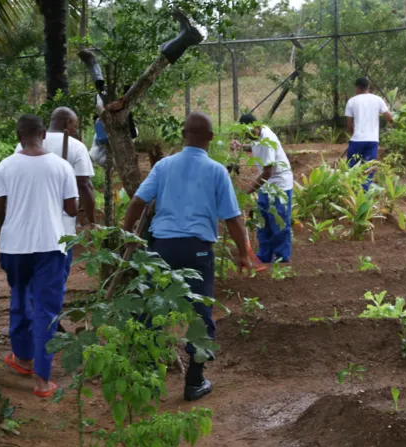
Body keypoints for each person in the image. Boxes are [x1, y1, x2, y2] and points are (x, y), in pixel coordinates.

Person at [123, 112, 252, 401]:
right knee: (199, 313)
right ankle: (194, 381)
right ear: (210, 138)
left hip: (162, 248)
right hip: (197, 249)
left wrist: (126, 234)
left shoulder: (164, 166)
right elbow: (232, 218)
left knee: (151, 309)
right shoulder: (217, 171)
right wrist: (243, 254)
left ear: (183, 134)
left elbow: (137, 201)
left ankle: (146, 380)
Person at [0, 114, 79, 397]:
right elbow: (72, 209)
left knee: (19, 296)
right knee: (46, 310)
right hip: (50, 245)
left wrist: (9, 230)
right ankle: (42, 380)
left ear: (18, 137)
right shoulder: (61, 166)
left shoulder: (5, 165)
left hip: (15, 247)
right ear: (43, 133)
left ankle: (23, 359)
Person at [15, 107, 95, 289]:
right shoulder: (77, 146)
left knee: (31, 271)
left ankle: (34, 306)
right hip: (62, 226)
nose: (75, 128)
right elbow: (84, 184)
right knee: (56, 275)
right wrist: (91, 220)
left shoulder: (24, 144)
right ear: (67, 122)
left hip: (28, 222)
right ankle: (47, 312)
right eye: (75, 124)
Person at [237, 113, 294, 263]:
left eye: (249, 133)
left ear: (256, 126)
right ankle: (264, 255)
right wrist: (241, 147)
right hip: (267, 184)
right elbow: (255, 145)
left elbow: (267, 173)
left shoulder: (268, 139)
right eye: (245, 134)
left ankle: (282, 258)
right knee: (263, 221)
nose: (249, 136)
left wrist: (247, 192)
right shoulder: (256, 135)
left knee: (279, 221)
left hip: (279, 183)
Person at [344, 77, 394, 187]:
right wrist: (393, 124)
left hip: (356, 141)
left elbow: (349, 125)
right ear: (368, 87)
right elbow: (389, 117)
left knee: (351, 169)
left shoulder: (351, 101)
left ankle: (351, 195)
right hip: (372, 141)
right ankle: (365, 197)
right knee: (368, 170)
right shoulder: (378, 99)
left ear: (357, 88)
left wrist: (354, 134)